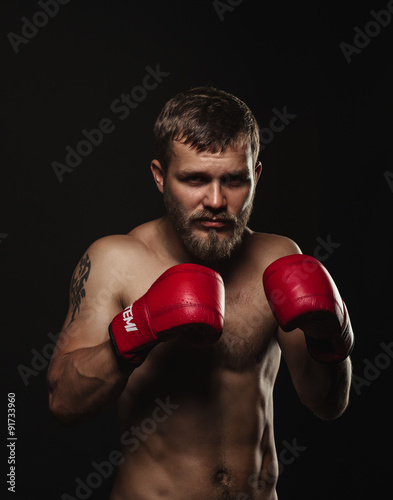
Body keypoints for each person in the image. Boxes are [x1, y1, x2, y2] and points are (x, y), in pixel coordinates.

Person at [47, 87, 353, 500]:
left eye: (234, 180)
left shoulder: (279, 259)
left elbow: (327, 404)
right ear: (159, 176)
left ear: (256, 176)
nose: (215, 201)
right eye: (194, 179)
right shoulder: (114, 260)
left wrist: (331, 339)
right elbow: (64, 403)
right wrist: (139, 327)